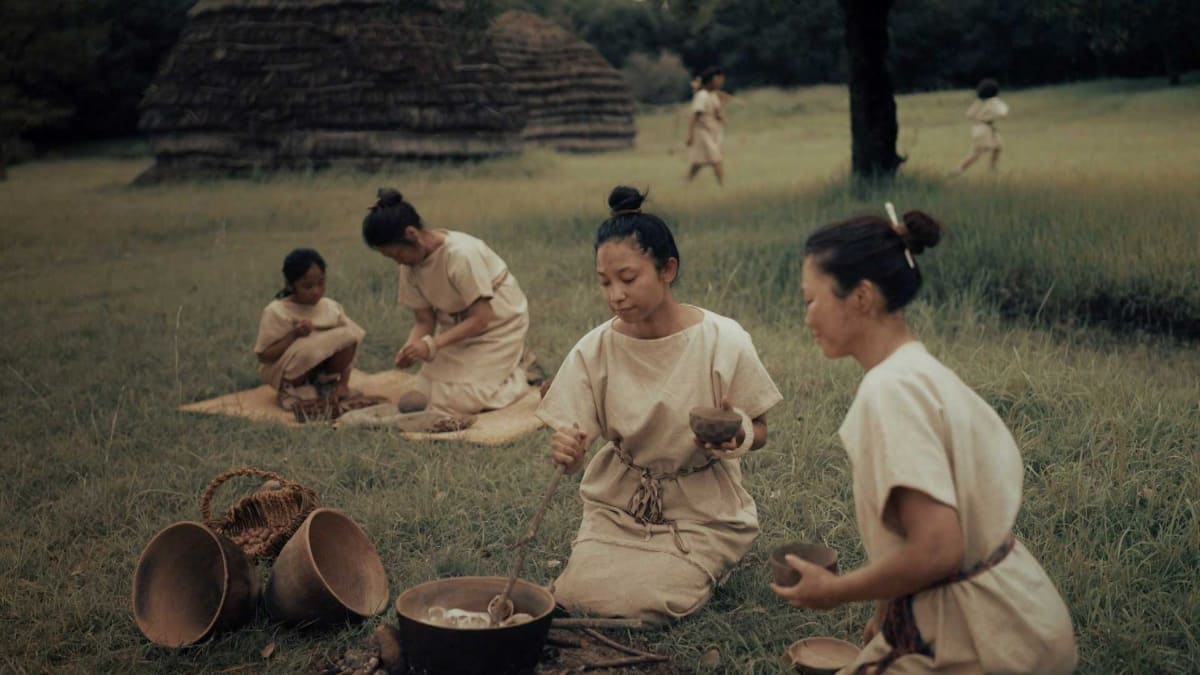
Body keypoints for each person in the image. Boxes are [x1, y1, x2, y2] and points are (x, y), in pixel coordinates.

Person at [771, 207, 1077, 673]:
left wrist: (835, 591)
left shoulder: (887, 390)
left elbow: (938, 548)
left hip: (983, 638)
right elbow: (917, 534)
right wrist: (886, 613)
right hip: (1023, 613)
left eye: (811, 300)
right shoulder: (918, 368)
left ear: (861, 297)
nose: (807, 317)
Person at [538, 186, 782, 623]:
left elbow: (760, 429)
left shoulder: (722, 340)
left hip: (703, 511)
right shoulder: (595, 348)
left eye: (628, 279)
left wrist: (737, 435)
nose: (615, 295)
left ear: (667, 269)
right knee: (578, 593)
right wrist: (567, 450)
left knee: (648, 602)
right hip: (620, 507)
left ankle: (690, 565)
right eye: (605, 282)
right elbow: (571, 438)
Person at [362, 188, 534, 417]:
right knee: (425, 394)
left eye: (396, 254)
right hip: (456, 326)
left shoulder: (460, 255)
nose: (397, 262)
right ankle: (496, 372)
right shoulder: (409, 265)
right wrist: (411, 347)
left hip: (497, 323)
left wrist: (432, 346)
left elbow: (482, 319)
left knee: (461, 402)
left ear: (412, 234)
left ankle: (520, 373)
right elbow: (424, 320)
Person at [254, 248, 366, 408]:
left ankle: (327, 385)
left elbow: (351, 338)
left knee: (349, 334)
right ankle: (290, 391)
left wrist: (344, 383)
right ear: (291, 285)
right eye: (308, 286)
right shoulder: (276, 311)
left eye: (321, 283)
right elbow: (264, 357)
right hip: (287, 373)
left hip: (320, 372)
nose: (316, 291)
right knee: (312, 347)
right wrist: (294, 335)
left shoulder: (330, 307)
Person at [954, 78, 1009, 175]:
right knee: (977, 153)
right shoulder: (994, 101)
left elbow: (969, 114)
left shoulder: (978, 101)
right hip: (985, 129)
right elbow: (1003, 112)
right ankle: (959, 169)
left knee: (998, 145)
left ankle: (993, 168)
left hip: (979, 127)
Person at [686, 66, 727, 186]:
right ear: (711, 80)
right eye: (718, 79)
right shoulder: (702, 95)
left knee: (699, 161)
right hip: (703, 132)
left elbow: (715, 112)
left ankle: (686, 182)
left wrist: (721, 117)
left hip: (712, 132)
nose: (720, 82)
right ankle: (722, 186)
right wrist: (690, 135)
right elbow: (695, 115)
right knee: (716, 159)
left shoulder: (713, 95)